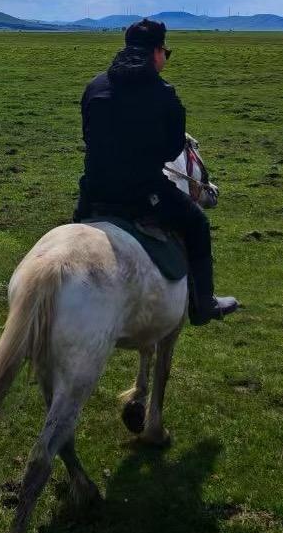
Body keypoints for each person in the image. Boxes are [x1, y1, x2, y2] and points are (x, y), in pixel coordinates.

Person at [74, 18, 238, 325]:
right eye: (167, 52)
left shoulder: (94, 86)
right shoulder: (164, 93)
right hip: (143, 194)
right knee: (197, 224)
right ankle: (203, 303)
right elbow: (172, 150)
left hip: (93, 192)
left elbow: (88, 136)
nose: (166, 58)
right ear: (157, 52)